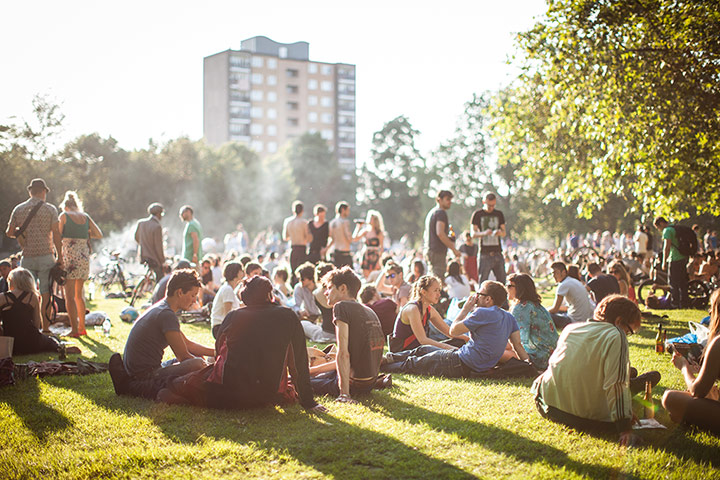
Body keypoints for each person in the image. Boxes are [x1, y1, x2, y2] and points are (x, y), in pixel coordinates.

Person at [156, 276, 325, 413]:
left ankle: (170, 390)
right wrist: (308, 402)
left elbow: (218, 351)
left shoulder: (234, 317)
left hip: (226, 393)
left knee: (183, 382)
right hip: (266, 395)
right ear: (269, 295)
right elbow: (299, 362)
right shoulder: (288, 316)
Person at [532, 295, 658, 446]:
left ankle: (630, 380)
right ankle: (631, 384)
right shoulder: (616, 334)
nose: (627, 336)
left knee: (625, 372)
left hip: (550, 407)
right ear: (619, 322)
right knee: (623, 379)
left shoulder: (570, 328)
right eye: (629, 331)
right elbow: (615, 384)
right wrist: (624, 426)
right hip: (590, 419)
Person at [381, 281, 530, 377]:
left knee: (415, 363)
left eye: (479, 294)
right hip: (467, 360)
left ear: (488, 299)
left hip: (460, 362)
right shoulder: (509, 317)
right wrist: (529, 365)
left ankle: (381, 366)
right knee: (423, 350)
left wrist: (465, 309)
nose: (475, 297)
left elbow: (452, 331)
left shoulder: (483, 312)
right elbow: (518, 346)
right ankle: (388, 358)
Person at [110, 269, 215, 399]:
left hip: (143, 369)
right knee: (198, 364)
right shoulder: (166, 315)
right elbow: (183, 356)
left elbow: (187, 344)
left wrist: (217, 353)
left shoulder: (163, 308)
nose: (195, 301)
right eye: (193, 295)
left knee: (198, 358)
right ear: (180, 292)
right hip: (145, 374)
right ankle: (136, 387)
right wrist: (209, 367)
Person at [310, 267, 385, 402]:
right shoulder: (368, 310)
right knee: (313, 374)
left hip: (354, 384)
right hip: (369, 383)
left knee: (299, 381)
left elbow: (343, 353)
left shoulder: (341, 307)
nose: (326, 293)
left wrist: (344, 394)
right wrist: (313, 371)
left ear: (343, 288)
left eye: (330, 287)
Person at [5, 178, 63, 333]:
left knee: (25, 292)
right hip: (46, 256)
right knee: (46, 293)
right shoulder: (50, 209)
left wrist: (21, 235)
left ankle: (27, 326)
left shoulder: (19, 209)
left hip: (28, 256)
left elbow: (9, 232)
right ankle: (45, 328)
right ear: (43, 192)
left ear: (30, 191)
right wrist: (60, 257)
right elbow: (56, 233)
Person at [662, 288, 720, 435]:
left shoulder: (718, 343)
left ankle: (690, 416)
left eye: (711, 308)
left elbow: (697, 391)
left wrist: (684, 367)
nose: (709, 313)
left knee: (670, 398)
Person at [58, 191, 103, 337]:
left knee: (69, 296)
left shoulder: (63, 216)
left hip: (70, 258)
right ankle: (82, 328)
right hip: (83, 258)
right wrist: (85, 234)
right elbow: (99, 234)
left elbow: (57, 236)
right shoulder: (85, 217)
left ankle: (73, 330)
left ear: (65, 206)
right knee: (79, 295)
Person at [389, 275, 467, 352]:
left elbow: (449, 332)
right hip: (403, 353)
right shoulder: (413, 309)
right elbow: (423, 340)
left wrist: (468, 339)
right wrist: (450, 348)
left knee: (459, 342)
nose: (439, 294)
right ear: (424, 292)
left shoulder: (429, 309)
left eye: (439, 290)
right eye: (435, 290)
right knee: (448, 350)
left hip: (418, 350)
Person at [0, 268, 61, 354]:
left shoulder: (2, 297)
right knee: (52, 341)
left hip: (10, 344)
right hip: (31, 342)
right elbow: (37, 323)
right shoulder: (32, 297)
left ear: (11, 281)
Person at [507, 273, 558, 371]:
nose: (506, 289)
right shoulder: (535, 305)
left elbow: (518, 341)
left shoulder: (521, 308)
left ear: (520, 288)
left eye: (510, 286)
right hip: (552, 356)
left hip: (539, 359)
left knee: (497, 351)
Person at [471, 192, 507, 284]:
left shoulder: (499, 214)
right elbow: (473, 234)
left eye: (493, 205)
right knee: (483, 281)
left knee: (502, 281)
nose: (491, 207)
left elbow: (504, 232)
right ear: (484, 202)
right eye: (489, 205)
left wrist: (499, 232)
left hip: (498, 252)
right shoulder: (477, 214)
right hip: (484, 253)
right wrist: (484, 233)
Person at [423, 190, 460, 279]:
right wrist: (454, 249)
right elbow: (440, 233)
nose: (450, 202)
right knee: (438, 282)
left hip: (430, 250)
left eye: (450, 199)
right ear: (439, 200)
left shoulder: (432, 213)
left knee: (432, 279)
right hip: (437, 252)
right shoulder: (441, 213)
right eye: (447, 199)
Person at [548, 262, 595, 330]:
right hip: (585, 319)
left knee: (544, 315)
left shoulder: (563, 285)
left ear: (564, 272)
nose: (554, 276)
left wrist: (544, 310)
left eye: (556, 273)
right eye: (552, 273)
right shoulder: (574, 281)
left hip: (574, 321)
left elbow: (555, 309)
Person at [654, 216, 689, 308]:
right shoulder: (675, 228)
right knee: (682, 282)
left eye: (658, 227)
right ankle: (685, 302)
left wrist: (664, 262)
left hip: (674, 258)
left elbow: (667, 247)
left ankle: (675, 303)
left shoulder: (667, 231)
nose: (659, 230)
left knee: (673, 282)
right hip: (683, 257)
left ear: (661, 223)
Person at [210, 261, 243, 338]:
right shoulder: (227, 289)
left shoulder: (229, 289)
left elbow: (239, 306)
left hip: (222, 327)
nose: (243, 272)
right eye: (241, 270)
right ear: (237, 273)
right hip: (220, 328)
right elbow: (227, 315)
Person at [134, 202, 165, 281]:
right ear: (158, 214)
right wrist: (162, 261)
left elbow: (136, 238)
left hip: (143, 256)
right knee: (160, 278)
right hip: (153, 258)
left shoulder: (141, 223)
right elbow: (158, 247)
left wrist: (144, 245)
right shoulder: (157, 226)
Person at [283, 201, 311, 283]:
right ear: (302, 211)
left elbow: (285, 237)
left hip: (293, 248)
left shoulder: (288, 221)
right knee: (302, 272)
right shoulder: (304, 222)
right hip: (302, 248)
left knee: (293, 272)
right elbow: (308, 238)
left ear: (293, 210)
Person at [328, 201, 358, 268]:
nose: (348, 212)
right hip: (345, 254)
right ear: (343, 210)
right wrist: (358, 228)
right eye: (347, 210)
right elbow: (350, 239)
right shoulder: (345, 222)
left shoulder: (332, 222)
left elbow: (331, 238)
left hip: (336, 254)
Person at [357, 209, 386, 280]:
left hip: (375, 256)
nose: (369, 219)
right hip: (366, 255)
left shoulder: (379, 233)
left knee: (374, 277)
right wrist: (358, 227)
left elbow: (381, 248)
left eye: (371, 218)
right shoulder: (365, 231)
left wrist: (379, 260)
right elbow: (354, 239)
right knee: (366, 277)